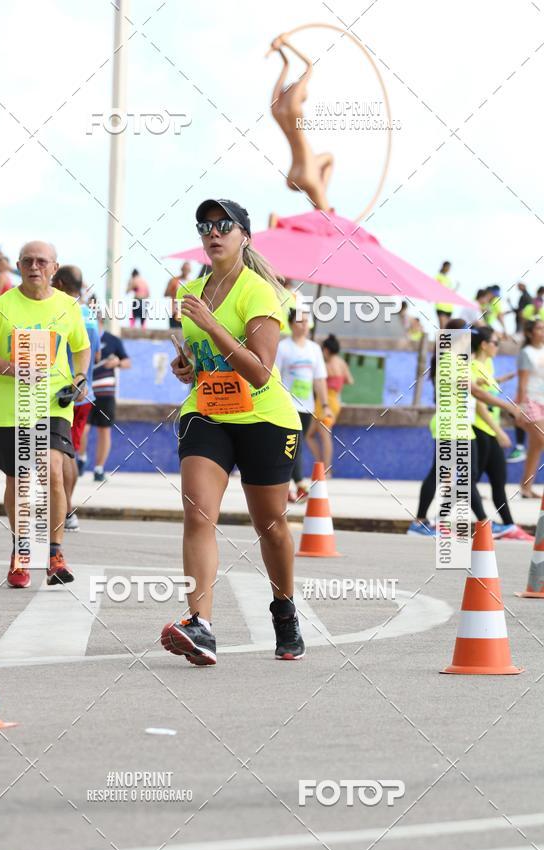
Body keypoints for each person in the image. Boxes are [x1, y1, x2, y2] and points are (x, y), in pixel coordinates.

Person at [161, 198, 304, 666]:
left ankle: (284, 610)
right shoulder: (192, 291)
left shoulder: (260, 292)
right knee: (198, 514)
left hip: (264, 418)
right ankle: (200, 625)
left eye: (223, 225)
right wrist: (187, 365)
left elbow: (260, 370)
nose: (213, 233)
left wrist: (210, 323)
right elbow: (204, 357)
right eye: (205, 227)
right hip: (207, 413)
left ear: (244, 235)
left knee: (271, 526)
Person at [0, 241, 90, 587]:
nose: (34, 267)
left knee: (52, 470)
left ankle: (53, 554)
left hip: (53, 404)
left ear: (54, 267)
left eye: (41, 261)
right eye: (27, 261)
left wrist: (80, 377)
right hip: (12, 409)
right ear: (19, 266)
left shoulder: (68, 306)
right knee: (19, 480)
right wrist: (14, 369)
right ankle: (21, 552)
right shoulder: (1, 306)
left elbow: (82, 347)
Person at [407, 318, 523, 537]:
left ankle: (432, 522)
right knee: (448, 474)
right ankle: (426, 522)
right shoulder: (449, 360)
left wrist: (491, 382)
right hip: (450, 424)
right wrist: (507, 405)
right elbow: (475, 392)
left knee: (460, 475)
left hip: (460, 425)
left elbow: (473, 386)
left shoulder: (457, 361)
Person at [52, 265, 101, 531]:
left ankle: (66, 509)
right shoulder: (90, 315)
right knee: (69, 451)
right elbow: (97, 355)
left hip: (64, 395)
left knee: (63, 454)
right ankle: (64, 509)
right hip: (85, 393)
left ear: (59, 283)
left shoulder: (63, 312)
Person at [471, 326, 530, 539]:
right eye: (495, 343)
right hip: (479, 429)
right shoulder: (473, 366)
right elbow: (479, 403)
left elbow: (488, 387)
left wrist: (504, 379)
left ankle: (509, 526)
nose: (498, 346)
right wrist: (499, 431)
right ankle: (441, 517)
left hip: (490, 429)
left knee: (498, 478)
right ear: (484, 345)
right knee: (470, 481)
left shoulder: (488, 364)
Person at [267, 35, 334, 211]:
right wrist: (286, 43)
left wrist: (282, 54)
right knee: (326, 214)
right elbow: (309, 66)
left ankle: (320, 196)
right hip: (307, 169)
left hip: (294, 173)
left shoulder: (276, 110)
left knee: (328, 158)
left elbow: (286, 66)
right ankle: (320, 197)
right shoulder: (294, 107)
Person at [275, 308, 330, 502]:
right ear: (291, 325)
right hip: (287, 405)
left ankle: (289, 486)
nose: (304, 325)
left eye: (306, 321)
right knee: (292, 444)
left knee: (296, 445)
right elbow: (274, 376)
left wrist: (325, 404)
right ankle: (298, 484)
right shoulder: (282, 347)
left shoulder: (314, 349)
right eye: (300, 321)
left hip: (306, 406)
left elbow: (319, 379)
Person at [82, 312, 131, 481]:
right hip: (86, 391)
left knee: (104, 430)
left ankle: (99, 468)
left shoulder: (113, 340)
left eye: (93, 323)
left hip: (106, 393)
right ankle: (81, 458)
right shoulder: (83, 337)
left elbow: (127, 362)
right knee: (83, 429)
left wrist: (117, 362)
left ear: (101, 322)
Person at [306, 334, 353, 475]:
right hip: (334, 401)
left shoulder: (325, 365)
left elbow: (316, 381)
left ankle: (326, 470)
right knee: (310, 435)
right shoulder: (341, 363)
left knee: (323, 436)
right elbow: (350, 380)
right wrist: (337, 382)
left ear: (326, 350)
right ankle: (323, 466)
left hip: (324, 402)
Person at [517, 318, 544, 498]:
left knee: (536, 446)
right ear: (529, 333)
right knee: (542, 439)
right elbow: (522, 383)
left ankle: (526, 487)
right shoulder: (526, 353)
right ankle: (526, 487)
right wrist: (519, 407)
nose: (542, 331)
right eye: (539, 328)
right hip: (531, 400)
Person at [165, 262, 192, 328]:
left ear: (190, 271)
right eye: (184, 269)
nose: (186, 271)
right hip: (174, 310)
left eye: (187, 269)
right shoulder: (174, 280)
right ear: (181, 269)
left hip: (185, 312)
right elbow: (166, 293)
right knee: (173, 331)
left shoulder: (191, 283)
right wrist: (176, 291)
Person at [434, 261, 454, 328]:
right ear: (444, 266)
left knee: (447, 328)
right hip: (441, 306)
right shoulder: (438, 276)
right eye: (447, 267)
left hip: (449, 307)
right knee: (442, 327)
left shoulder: (448, 279)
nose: (448, 269)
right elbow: (435, 289)